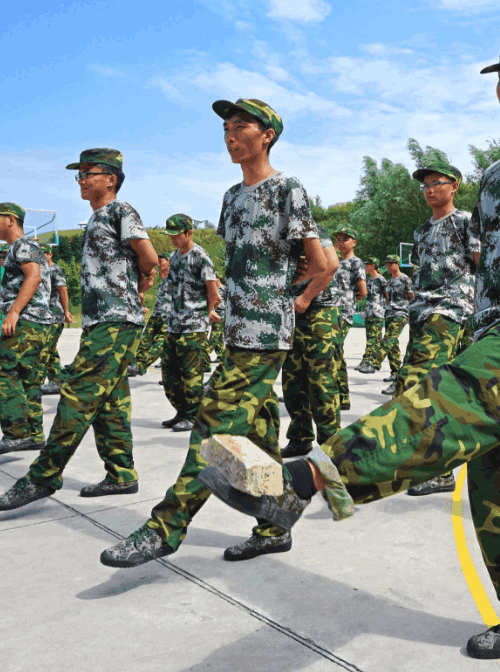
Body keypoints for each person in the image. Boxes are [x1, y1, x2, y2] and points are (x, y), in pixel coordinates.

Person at [199, 31, 500, 659]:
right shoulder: (498, 176)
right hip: (490, 325)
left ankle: (306, 480)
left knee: (443, 404)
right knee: (496, 472)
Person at [100, 98, 334, 565]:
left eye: (241, 125)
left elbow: (324, 262)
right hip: (234, 328)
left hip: (265, 331)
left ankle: (165, 527)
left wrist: (291, 295)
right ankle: (273, 526)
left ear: (267, 134)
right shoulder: (231, 196)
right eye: (226, 127)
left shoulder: (288, 188)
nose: (230, 134)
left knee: (213, 430)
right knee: (261, 432)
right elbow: (239, 260)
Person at [0, 148, 159, 510]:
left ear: (111, 178)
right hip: (103, 321)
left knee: (77, 395)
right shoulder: (97, 220)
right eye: (78, 173)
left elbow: (149, 258)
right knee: (111, 402)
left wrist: (135, 289)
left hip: (115, 322)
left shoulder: (119, 211)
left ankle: (42, 477)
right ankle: (121, 475)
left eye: (88, 172)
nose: (81, 179)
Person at [398, 159, 479, 495]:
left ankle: (435, 465)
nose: (430, 190)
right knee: (448, 388)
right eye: (425, 185)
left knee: (415, 382)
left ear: (454, 186)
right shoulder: (421, 230)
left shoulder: (465, 222)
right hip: (423, 309)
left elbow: (481, 264)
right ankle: (444, 462)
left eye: (436, 183)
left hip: (451, 309)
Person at [0, 203, 57, 456]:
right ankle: (34, 434)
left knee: (3, 371)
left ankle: (16, 433)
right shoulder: (21, 247)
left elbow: (33, 276)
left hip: (27, 319)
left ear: (11, 220)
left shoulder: (23, 244)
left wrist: (13, 312)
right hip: (37, 321)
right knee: (28, 379)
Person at [280, 225, 341, 458]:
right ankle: (300, 438)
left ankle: (331, 445)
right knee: (293, 382)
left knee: (321, 382)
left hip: (319, 313)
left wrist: (306, 297)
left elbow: (331, 263)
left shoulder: (308, 226)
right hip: (291, 315)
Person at [159, 214, 219, 432]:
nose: (173, 239)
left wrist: (209, 311)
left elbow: (212, 288)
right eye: (170, 235)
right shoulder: (174, 257)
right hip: (175, 323)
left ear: (189, 233)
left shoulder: (200, 256)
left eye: (177, 235)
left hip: (194, 324)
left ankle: (193, 416)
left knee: (190, 371)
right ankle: (182, 411)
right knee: (170, 370)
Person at [332, 228, 366, 410]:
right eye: (338, 239)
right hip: (331, 311)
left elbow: (363, 290)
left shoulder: (356, 262)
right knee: (335, 352)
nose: (341, 242)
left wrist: (349, 302)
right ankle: (340, 396)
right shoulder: (335, 262)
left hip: (344, 313)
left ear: (354, 242)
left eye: (345, 239)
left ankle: (342, 396)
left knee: (334, 350)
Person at [39, 244, 73, 395]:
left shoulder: (55, 270)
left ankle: (38, 381)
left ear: (50, 254)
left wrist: (66, 311)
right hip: (43, 316)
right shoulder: (39, 270)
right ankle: (56, 381)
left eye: (44, 254)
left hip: (55, 316)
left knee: (44, 349)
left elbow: (63, 291)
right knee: (50, 350)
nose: (41, 257)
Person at [131, 253, 171, 376]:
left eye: (161, 261)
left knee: (159, 343)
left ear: (169, 262)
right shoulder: (162, 280)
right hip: (157, 315)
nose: (158, 264)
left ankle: (140, 365)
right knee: (144, 341)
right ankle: (135, 365)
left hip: (169, 316)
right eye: (157, 262)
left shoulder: (176, 276)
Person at [381, 254, 413, 393]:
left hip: (401, 313)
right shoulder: (389, 280)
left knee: (389, 339)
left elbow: (411, 296)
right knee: (393, 344)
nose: (387, 266)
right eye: (386, 264)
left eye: (390, 264)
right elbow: (387, 297)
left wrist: (407, 310)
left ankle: (374, 360)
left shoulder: (405, 279)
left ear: (396, 264)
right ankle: (394, 371)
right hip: (389, 313)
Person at [357, 257, 385, 373]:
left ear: (373, 265)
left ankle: (366, 361)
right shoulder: (368, 281)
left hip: (377, 313)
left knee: (372, 339)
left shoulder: (381, 280)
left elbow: (387, 296)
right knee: (373, 338)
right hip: (369, 312)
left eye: (367, 264)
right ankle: (376, 363)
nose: (365, 266)